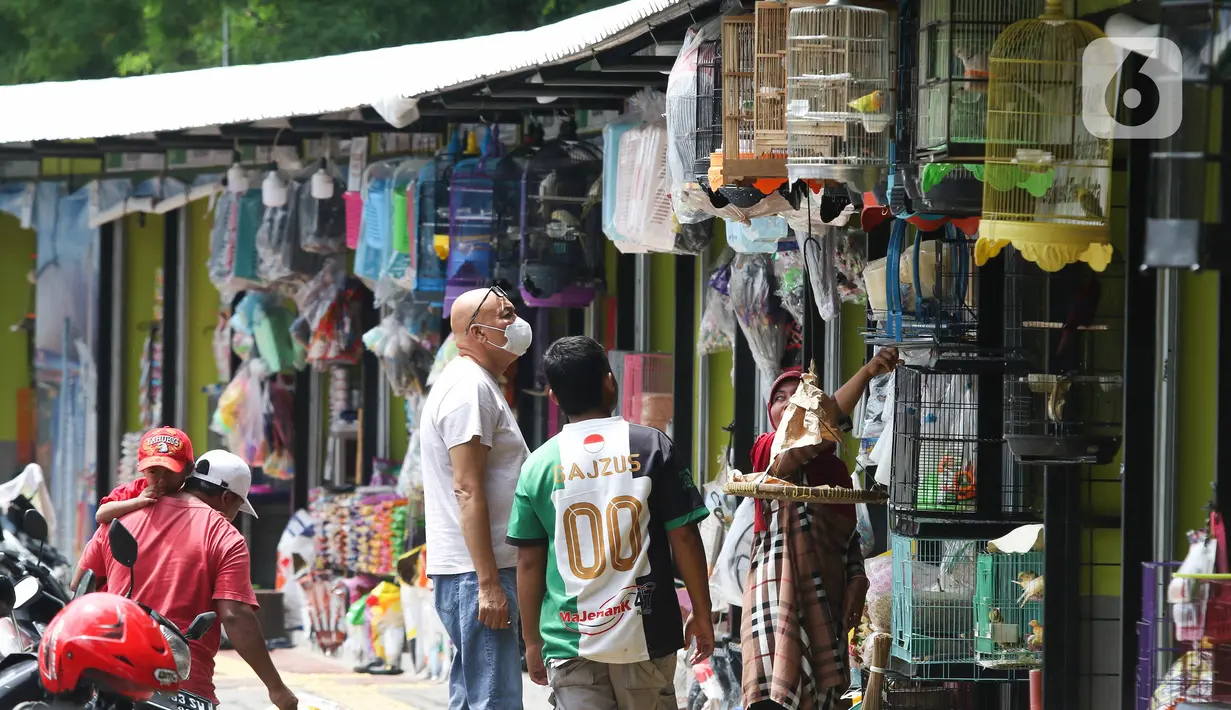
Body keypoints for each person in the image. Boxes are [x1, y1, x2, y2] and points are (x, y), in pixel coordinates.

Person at [509, 336, 715, 710]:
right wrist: (702, 613)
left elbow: (528, 562)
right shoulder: (652, 447)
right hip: (646, 636)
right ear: (611, 382)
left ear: (553, 398)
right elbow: (684, 536)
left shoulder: (537, 466)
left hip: (570, 639)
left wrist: (532, 641)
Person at [742, 348, 902, 710]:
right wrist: (866, 373)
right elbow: (812, 430)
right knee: (774, 691)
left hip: (826, 592)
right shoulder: (767, 451)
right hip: (775, 593)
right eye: (779, 399)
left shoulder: (835, 473)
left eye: (797, 396)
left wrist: (857, 580)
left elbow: (848, 539)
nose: (786, 405)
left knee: (822, 691)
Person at [78, 450, 297, 710]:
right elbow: (235, 617)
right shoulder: (226, 537)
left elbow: (81, 585)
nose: (234, 515)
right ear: (226, 498)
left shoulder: (123, 517)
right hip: (183, 688)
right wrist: (277, 689)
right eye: (237, 507)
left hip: (112, 676)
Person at [420, 285, 532, 710]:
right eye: (504, 315)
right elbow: (467, 488)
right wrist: (488, 584)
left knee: (473, 697)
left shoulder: (477, 384)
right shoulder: (469, 389)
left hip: (476, 571)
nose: (516, 322)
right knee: (494, 699)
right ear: (478, 333)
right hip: (477, 573)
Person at [96, 426, 194, 524]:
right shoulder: (135, 489)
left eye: (170, 472)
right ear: (142, 470)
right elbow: (101, 515)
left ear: (188, 469)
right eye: (153, 472)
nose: (162, 480)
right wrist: (137, 501)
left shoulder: (191, 495)